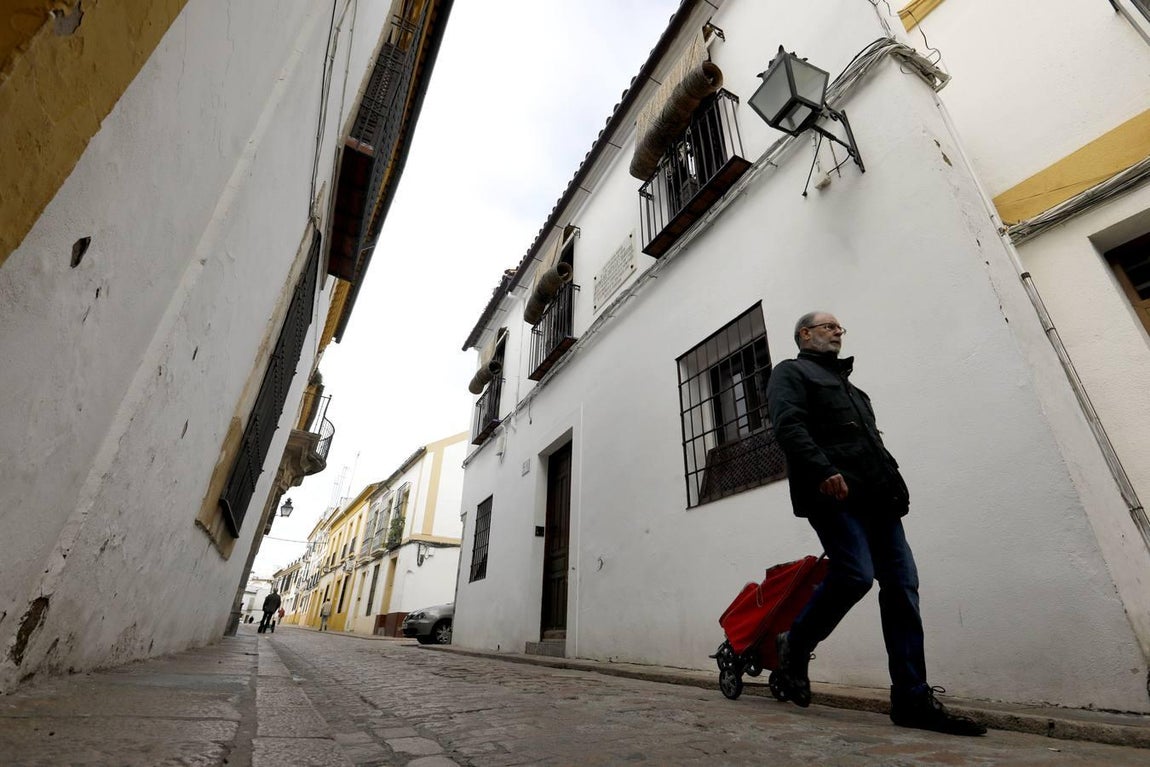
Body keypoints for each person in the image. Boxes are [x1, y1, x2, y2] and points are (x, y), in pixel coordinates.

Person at [765, 311, 985, 736]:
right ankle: (796, 643)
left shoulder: (856, 392)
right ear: (804, 334)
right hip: (833, 492)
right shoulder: (790, 374)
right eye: (828, 326)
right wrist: (821, 470)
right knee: (855, 575)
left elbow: (874, 446)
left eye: (839, 328)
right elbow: (789, 426)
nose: (837, 332)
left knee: (902, 587)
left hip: (879, 498)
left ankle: (911, 698)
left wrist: (896, 488)